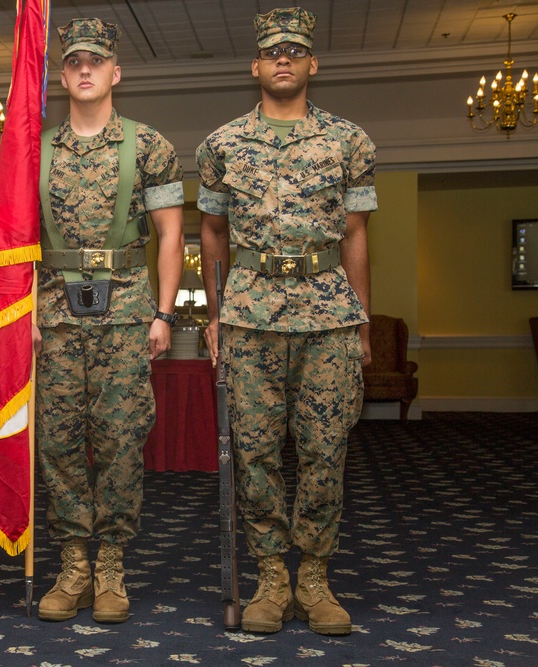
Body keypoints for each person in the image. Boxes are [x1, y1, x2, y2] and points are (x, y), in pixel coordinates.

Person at [197, 6, 376, 636]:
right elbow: (212, 232)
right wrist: (216, 320)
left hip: (328, 315)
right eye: (273, 50)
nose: (283, 58)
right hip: (249, 316)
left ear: (311, 63)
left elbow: (355, 234)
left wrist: (362, 324)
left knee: (326, 451)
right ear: (255, 64)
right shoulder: (221, 145)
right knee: (256, 453)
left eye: (295, 50)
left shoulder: (349, 140)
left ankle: (316, 580)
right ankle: (272, 580)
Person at [34, 18, 184, 624]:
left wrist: (164, 312)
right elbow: (16, 240)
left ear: (116, 72)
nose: (86, 69)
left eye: (96, 60)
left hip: (125, 313)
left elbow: (173, 234)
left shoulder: (150, 146)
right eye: (74, 62)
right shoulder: (35, 149)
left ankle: (111, 566)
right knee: (60, 443)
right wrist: (25, 315)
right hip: (56, 315)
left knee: (121, 443)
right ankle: (73, 563)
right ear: (62, 76)